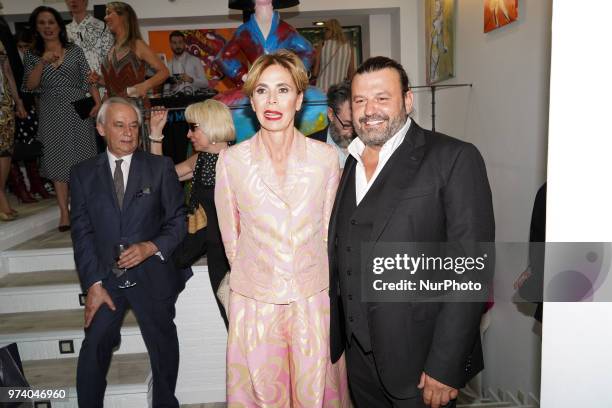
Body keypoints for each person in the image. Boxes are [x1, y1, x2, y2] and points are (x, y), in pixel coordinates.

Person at [328, 56, 494, 408]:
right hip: (360, 362)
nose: (369, 109)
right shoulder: (350, 163)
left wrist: (445, 365)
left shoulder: (453, 158)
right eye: (360, 101)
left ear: (407, 100)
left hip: (422, 366)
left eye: (381, 98)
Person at [215, 50, 350, 407]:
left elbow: (328, 236)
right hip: (255, 303)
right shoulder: (232, 162)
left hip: (312, 301)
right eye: (261, 91)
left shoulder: (325, 160)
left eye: (283, 90)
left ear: (300, 99)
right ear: (251, 100)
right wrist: (260, 279)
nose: (272, 100)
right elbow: (232, 238)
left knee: (315, 396)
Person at [71, 97, 191, 408]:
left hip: (152, 276)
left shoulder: (159, 167)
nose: (128, 132)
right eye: (119, 125)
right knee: (95, 342)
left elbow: (178, 221)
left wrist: (150, 247)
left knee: (162, 346)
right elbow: (82, 234)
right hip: (106, 281)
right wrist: (93, 285)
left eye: (134, 126)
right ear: (101, 129)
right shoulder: (82, 174)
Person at [149, 99, 234, 328]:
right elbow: (162, 178)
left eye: (193, 127)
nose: (188, 134)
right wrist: (156, 134)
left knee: (245, 329)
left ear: (211, 126)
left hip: (239, 258)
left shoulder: (240, 160)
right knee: (233, 327)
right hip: (215, 253)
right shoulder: (201, 160)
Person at [22, 6, 101, 231]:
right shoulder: (32, 55)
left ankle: (83, 210)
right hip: (51, 110)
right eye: (42, 23)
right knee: (57, 160)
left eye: (51, 22)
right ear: (36, 28)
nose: (47, 27)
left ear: (59, 25)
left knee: (83, 159)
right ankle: (64, 213)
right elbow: (29, 86)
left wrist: (98, 102)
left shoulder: (74, 50)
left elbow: (89, 78)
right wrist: (42, 62)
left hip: (78, 108)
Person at [92, 2, 169, 104]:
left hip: (134, 108)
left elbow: (164, 72)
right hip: (114, 108)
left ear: (123, 16)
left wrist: (145, 86)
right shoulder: (112, 48)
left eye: (109, 13)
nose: (105, 18)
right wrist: (99, 79)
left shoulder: (137, 44)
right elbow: (116, 83)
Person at [0, 38, 27, 221]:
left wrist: (18, 102)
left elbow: (7, 71)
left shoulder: (0, 42)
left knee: (5, 151)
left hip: (4, 103)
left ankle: (0, 191)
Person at [65, 0, 114, 88]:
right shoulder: (63, 32)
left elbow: (110, 63)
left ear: (85, 1)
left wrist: (107, 91)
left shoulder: (102, 27)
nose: (73, 1)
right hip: (73, 90)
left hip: (100, 89)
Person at [309, 80, 354, 168]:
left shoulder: (369, 146)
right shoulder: (309, 147)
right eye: (347, 125)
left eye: (356, 124)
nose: (352, 133)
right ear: (330, 114)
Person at [312, 19, 355, 92]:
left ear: (333, 31)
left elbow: (315, 71)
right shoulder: (348, 47)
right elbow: (351, 72)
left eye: (326, 29)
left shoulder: (322, 45)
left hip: (322, 88)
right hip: (340, 89)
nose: (324, 32)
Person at [165, 30, 208, 95]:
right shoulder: (168, 64)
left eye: (180, 42)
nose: (178, 45)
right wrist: (171, 85)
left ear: (184, 43)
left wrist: (191, 80)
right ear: (170, 44)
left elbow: (205, 84)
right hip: (174, 101)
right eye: (174, 43)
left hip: (193, 100)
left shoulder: (195, 60)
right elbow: (165, 90)